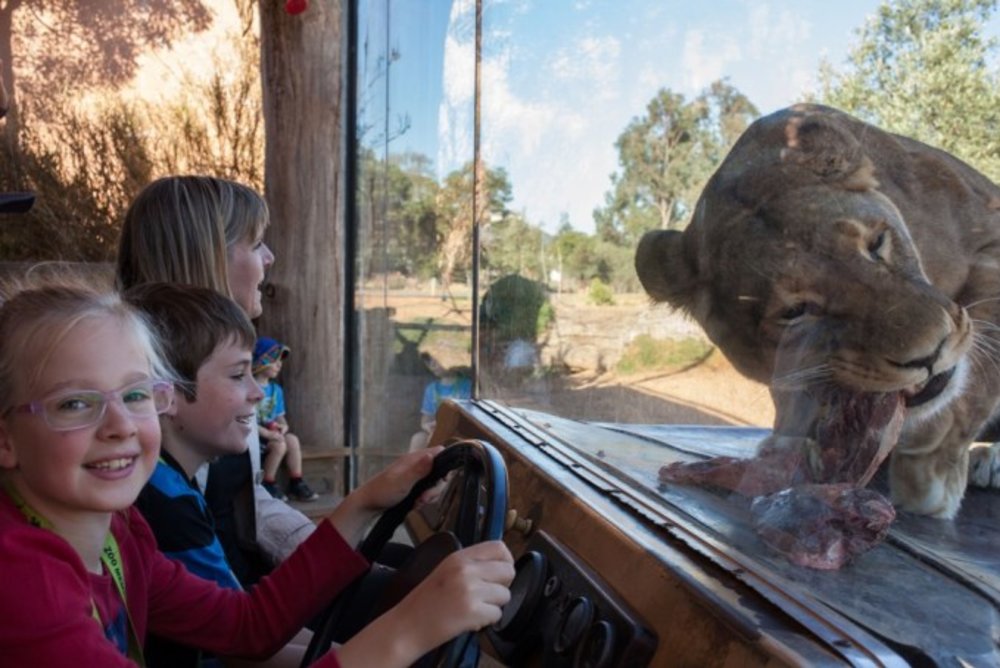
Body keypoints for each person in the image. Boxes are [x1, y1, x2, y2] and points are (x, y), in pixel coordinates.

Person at [0, 278, 515, 666]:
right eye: (74, 404)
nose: (120, 426)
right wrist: (409, 629)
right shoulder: (23, 585)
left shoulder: (121, 535)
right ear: (5, 439)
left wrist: (364, 503)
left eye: (135, 394)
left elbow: (247, 625)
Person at [116, 175, 311, 584]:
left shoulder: (210, 377)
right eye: (257, 243)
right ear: (209, 258)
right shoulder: (149, 409)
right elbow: (235, 627)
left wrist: (320, 550)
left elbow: (239, 503)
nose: (270, 257)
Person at [126, 283, 259, 666]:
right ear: (167, 395)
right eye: (238, 375)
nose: (257, 392)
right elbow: (247, 634)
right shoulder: (167, 506)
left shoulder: (167, 485)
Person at [253, 336, 319, 502]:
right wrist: (269, 435)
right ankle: (268, 482)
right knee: (280, 444)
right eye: (275, 360)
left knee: (292, 440)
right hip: (255, 437)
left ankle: (296, 481)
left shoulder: (276, 389)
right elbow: (248, 422)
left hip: (271, 434)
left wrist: (283, 427)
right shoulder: (251, 387)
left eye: (280, 361)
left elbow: (280, 417)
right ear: (262, 361)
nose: (279, 365)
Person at [409, 352, 472, 452]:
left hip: (459, 431)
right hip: (436, 430)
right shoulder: (431, 389)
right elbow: (426, 419)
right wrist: (428, 426)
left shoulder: (467, 386)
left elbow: (469, 417)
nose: (432, 365)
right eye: (429, 362)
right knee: (418, 439)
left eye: (436, 360)